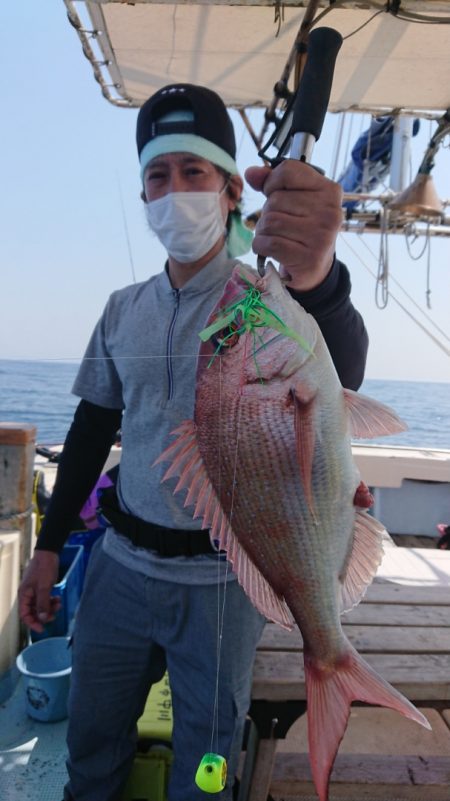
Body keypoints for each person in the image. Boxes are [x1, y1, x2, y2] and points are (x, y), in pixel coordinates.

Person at [18, 83, 369, 801]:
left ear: (233, 190)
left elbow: (339, 366)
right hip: (119, 566)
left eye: (193, 171)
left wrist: (318, 277)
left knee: (207, 761)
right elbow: (91, 430)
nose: (174, 189)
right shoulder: (122, 310)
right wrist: (48, 546)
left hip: (224, 583)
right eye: (158, 175)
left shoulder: (268, 299)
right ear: (143, 194)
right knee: (92, 733)